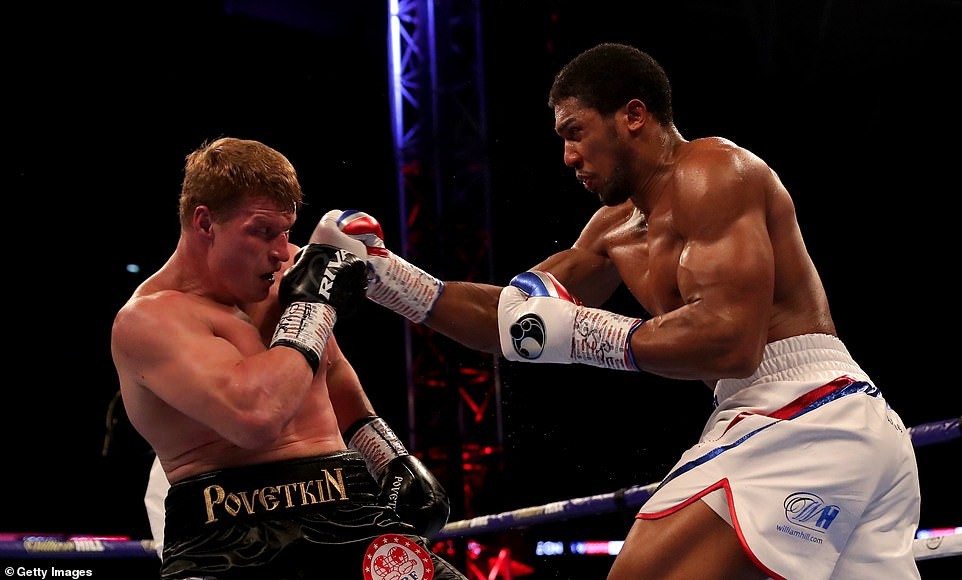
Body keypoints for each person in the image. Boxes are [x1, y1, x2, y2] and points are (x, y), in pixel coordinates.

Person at [310, 43, 922, 579]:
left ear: (633, 115)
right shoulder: (611, 232)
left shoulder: (714, 171)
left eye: (575, 131)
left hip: (802, 407)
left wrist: (587, 334)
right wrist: (385, 276)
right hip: (831, 425)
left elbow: (731, 342)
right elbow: (515, 320)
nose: (568, 156)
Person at [111, 137, 466, 579]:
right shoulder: (149, 320)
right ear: (205, 222)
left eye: (287, 230)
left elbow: (331, 373)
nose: (282, 250)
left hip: (347, 508)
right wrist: (313, 306)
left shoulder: (289, 270)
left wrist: (389, 458)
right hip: (228, 534)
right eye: (263, 231)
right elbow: (254, 417)